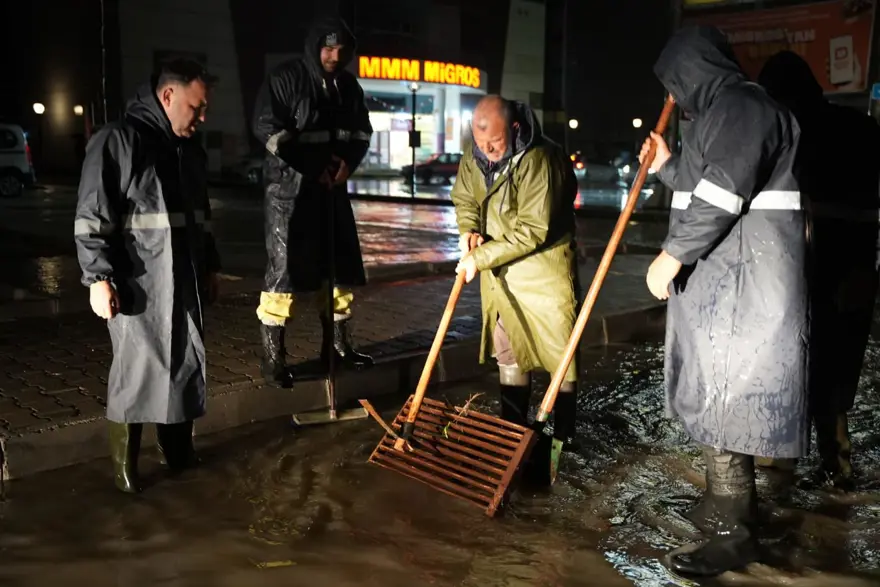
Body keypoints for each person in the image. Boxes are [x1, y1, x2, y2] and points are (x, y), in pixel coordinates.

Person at [638, 27, 808, 577]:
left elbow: (721, 192)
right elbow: (697, 186)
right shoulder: (718, 117)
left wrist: (671, 255)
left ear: (693, 71)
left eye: (675, 83)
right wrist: (667, 163)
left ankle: (735, 534)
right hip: (725, 291)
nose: (674, 96)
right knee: (717, 405)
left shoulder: (742, 106)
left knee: (731, 407)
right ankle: (726, 509)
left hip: (744, 293)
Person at [74, 58, 221, 494]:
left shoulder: (187, 149)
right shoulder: (118, 140)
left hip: (183, 277)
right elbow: (92, 215)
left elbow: (201, 216)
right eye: (196, 107)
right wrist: (97, 278)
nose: (202, 117)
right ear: (168, 96)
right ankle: (126, 468)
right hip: (138, 281)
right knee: (137, 371)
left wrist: (210, 265)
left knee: (183, 363)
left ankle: (178, 453)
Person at [757, 51, 880, 491]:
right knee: (839, 365)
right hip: (857, 272)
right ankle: (838, 466)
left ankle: (780, 474)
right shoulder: (863, 128)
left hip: (802, 272)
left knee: (792, 364)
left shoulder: (788, 131)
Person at [251, 15, 373, 388]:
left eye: (341, 49)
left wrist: (346, 166)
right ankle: (273, 358)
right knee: (283, 272)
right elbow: (267, 129)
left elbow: (361, 132)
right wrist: (313, 167)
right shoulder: (286, 78)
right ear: (315, 45)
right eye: (328, 47)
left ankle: (336, 347)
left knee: (337, 269)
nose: (335, 55)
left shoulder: (348, 86)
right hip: (288, 193)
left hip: (331, 190)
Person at [451, 95, 579, 447]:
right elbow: (465, 198)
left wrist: (479, 258)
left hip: (544, 274)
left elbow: (533, 229)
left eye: (495, 142)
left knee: (559, 353)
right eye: (480, 143)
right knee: (508, 351)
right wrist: (469, 229)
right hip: (501, 278)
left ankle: (562, 438)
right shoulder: (473, 156)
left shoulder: (541, 158)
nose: (488, 150)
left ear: (515, 128)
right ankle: (513, 435)